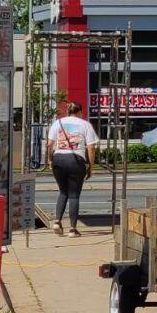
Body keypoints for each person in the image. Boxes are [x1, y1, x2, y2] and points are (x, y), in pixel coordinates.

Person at [46, 99, 98, 236]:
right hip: (76, 160)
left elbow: (50, 144)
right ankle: (73, 229)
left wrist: (50, 159)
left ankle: (57, 221)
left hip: (58, 158)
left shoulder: (58, 123)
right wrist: (91, 166)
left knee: (63, 191)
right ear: (80, 112)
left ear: (68, 111)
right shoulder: (85, 125)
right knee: (74, 195)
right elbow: (91, 147)